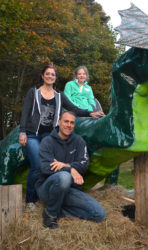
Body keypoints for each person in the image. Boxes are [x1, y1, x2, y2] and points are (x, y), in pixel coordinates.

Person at [19, 65, 104, 209]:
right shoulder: (33, 92)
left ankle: (49, 193)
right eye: (48, 74)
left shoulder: (59, 95)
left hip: (49, 136)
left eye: (53, 74)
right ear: (42, 76)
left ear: (55, 78)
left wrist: (89, 113)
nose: (50, 76)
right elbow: (25, 112)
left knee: (51, 164)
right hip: (33, 135)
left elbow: (73, 109)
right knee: (37, 165)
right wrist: (22, 132)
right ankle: (30, 199)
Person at [35, 111, 106, 229]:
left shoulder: (79, 141)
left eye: (72, 123)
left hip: (69, 191)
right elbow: (46, 167)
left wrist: (65, 165)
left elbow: (84, 165)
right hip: (47, 190)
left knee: (100, 214)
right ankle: (50, 214)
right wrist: (71, 169)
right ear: (59, 122)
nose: (69, 125)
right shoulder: (47, 142)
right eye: (66, 121)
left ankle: (59, 212)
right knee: (64, 177)